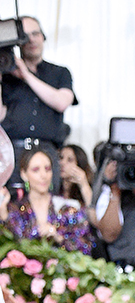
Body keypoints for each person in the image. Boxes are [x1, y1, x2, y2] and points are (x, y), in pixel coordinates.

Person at [0, 15, 76, 190]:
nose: (31, 40)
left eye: (35, 34)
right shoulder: (7, 77)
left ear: (43, 36)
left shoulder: (59, 73)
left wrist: (26, 75)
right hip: (12, 153)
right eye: (25, 36)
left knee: (48, 207)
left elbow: (61, 102)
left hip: (47, 153)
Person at [0, 147, 91, 253]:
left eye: (47, 169)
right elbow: (9, 246)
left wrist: (57, 237)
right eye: (36, 170)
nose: (43, 175)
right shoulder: (16, 210)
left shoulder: (67, 208)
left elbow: (85, 247)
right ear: (24, 174)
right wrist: (4, 214)